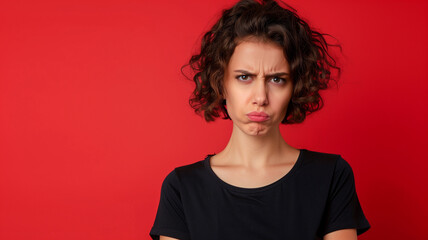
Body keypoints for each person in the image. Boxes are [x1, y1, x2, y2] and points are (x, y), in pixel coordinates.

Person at [150, 0, 371, 239]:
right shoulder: (182, 188)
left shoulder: (331, 176)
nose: (261, 97)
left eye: (277, 79)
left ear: (295, 87)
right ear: (221, 83)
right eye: (244, 77)